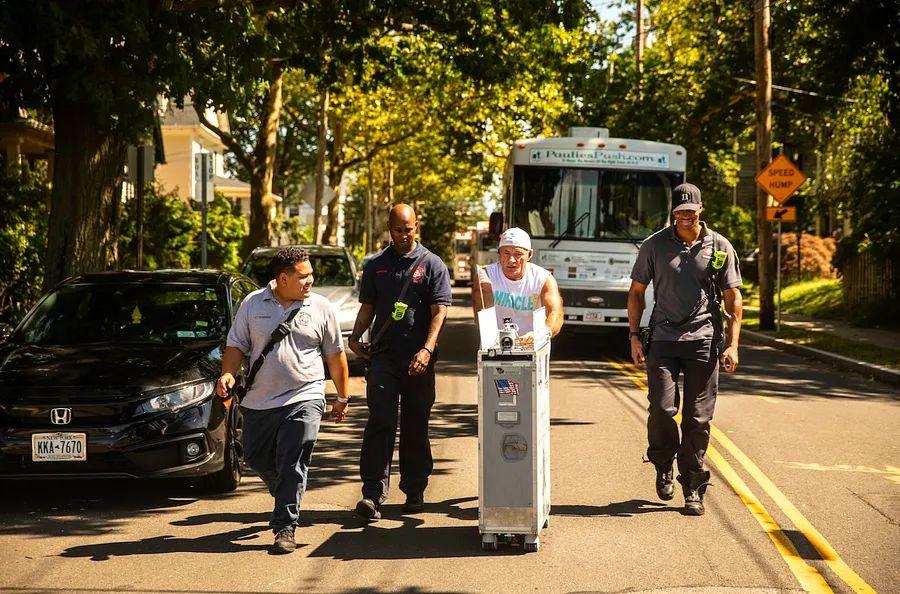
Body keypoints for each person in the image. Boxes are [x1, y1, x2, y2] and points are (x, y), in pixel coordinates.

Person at [216, 247, 351, 554]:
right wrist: (227, 373)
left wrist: (342, 396)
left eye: (311, 275)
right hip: (259, 400)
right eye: (303, 276)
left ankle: (284, 526)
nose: (310, 281)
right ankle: (287, 493)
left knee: (293, 459)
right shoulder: (252, 304)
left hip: (306, 395)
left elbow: (335, 354)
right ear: (282, 279)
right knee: (255, 456)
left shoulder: (321, 307)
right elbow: (236, 344)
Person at [627, 183, 743, 516]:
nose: (685, 217)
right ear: (673, 213)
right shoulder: (655, 245)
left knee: (697, 419)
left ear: (700, 210)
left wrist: (733, 344)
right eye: (680, 212)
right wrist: (634, 336)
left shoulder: (719, 246)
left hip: (704, 342)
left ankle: (693, 486)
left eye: (690, 212)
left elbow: (734, 298)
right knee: (662, 409)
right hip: (663, 339)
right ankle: (663, 463)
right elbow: (636, 292)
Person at [348, 204, 452, 520]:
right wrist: (355, 336)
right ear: (389, 229)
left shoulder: (433, 265)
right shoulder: (377, 266)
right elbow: (368, 306)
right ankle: (372, 494)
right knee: (380, 423)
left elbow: (439, 313)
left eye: (408, 229)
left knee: (415, 425)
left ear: (416, 226)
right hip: (383, 358)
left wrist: (427, 350)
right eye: (398, 229)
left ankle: (414, 490)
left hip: (418, 360)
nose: (404, 235)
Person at [471, 227, 564, 340]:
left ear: (529, 255)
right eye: (506, 253)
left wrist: (541, 334)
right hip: (496, 345)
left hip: (533, 345)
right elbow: (482, 314)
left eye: (518, 254)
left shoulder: (544, 279)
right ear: (499, 254)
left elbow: (555, 313)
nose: (511, 260)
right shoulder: (486, 276)